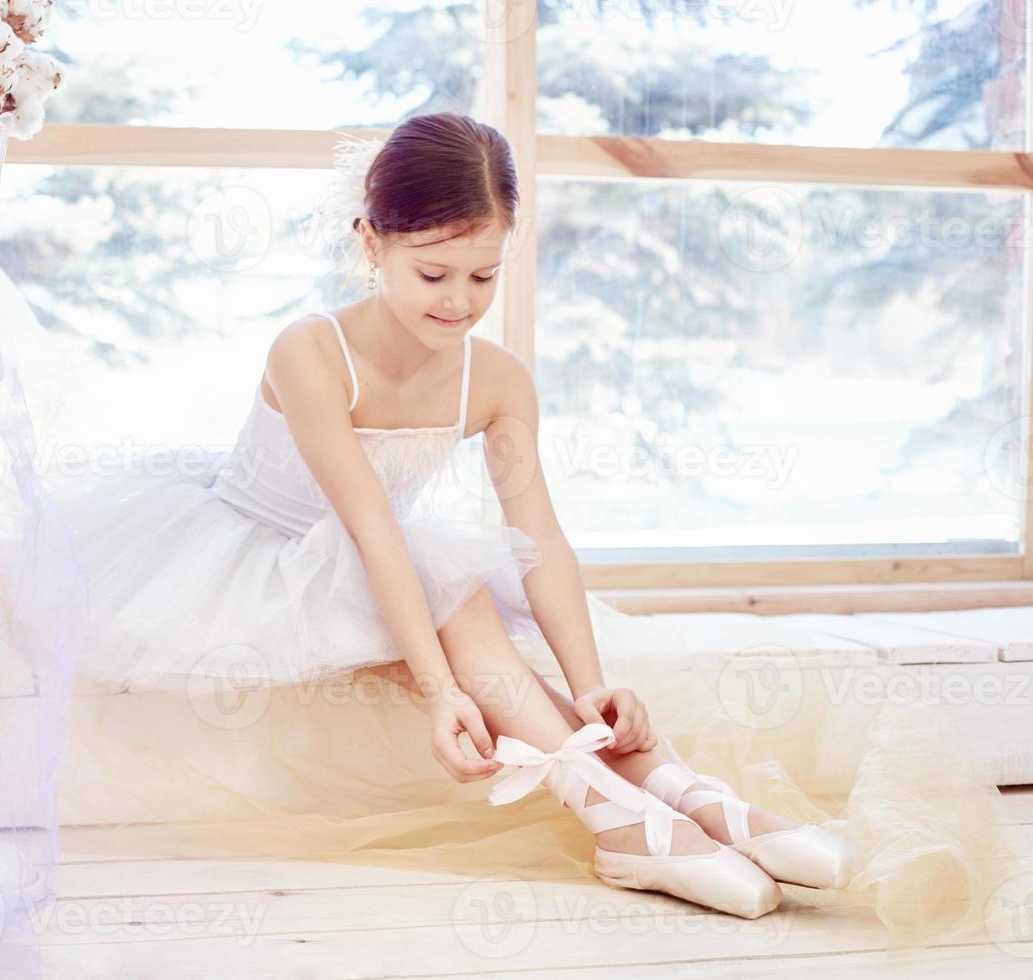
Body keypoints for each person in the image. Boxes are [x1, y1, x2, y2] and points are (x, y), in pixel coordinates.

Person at [53, 112, 891, 920]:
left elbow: (542, 541)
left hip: (390, 565)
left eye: (484, 276)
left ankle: (651, 808)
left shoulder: (495, 380)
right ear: (371, 242)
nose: (458, 302)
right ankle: (669, 803)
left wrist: (592, 683)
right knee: (448, 576)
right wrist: (442, 691)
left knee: (466, 581)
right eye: (432, 272)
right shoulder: (308, 352)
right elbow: (373, 531)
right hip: (261, 561)